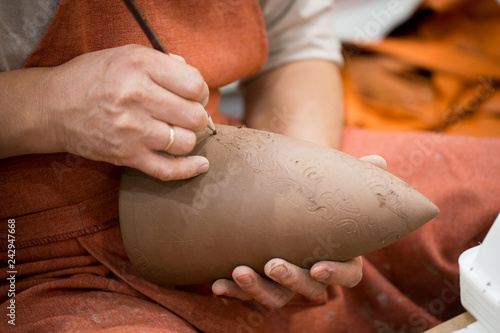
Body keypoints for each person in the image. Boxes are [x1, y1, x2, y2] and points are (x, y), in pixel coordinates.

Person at [0, 0, 372, 331]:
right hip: (31, 263)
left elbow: (294, 44)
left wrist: (303, 190)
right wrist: (47, 103)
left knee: (424, 208)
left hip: (231, 187)